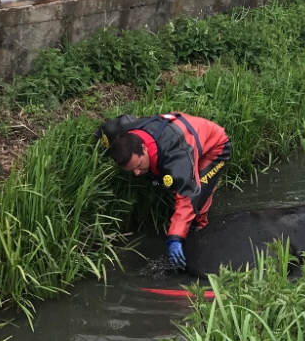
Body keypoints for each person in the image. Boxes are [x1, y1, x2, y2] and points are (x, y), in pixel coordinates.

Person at [96, 113, 231, 268]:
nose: (137, 173)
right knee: (173, 181)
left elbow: (187, 196)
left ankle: (199, 230)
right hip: (180, 132)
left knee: (197, 197)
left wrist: (175, 238)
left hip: (214, 145)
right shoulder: (120, 133)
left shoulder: (176, 156)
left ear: (144, 149)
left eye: (138, 166)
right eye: (131, 169)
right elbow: (105, 130)